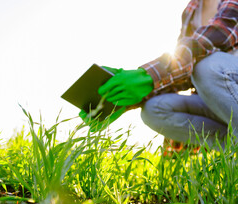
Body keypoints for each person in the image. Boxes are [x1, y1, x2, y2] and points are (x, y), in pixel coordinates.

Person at [80, 0, 238, 150]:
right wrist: (125, 101)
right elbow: (185, 72)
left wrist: (146, 76)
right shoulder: (192, 10)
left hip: (226, 77)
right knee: (153, 110)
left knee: (208, 68)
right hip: (222, 103)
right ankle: (233, 152)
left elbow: (216, 36)